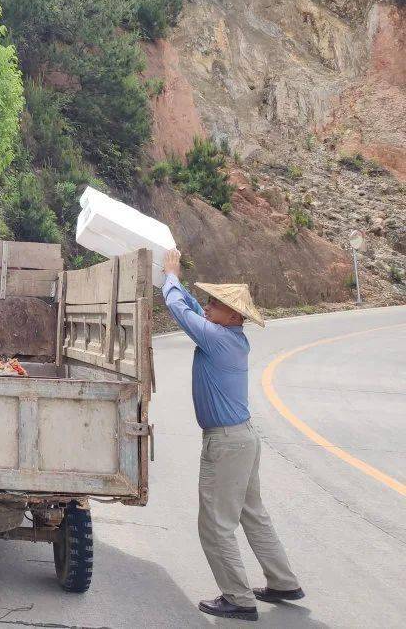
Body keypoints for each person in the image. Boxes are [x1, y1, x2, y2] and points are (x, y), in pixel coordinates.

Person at [162, 249, 303, 622]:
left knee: (214, 524)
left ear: (235, 315)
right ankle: (283, 582)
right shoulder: (230, 336)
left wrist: (171, 275)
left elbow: (180, 310)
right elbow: (194, 309)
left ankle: (238, 598)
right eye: (209, 302)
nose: (208, 307)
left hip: (226, 444)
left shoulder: (218, 338)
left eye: (216, 304)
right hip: (242, 440)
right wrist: (183, 288)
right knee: (252, 514)